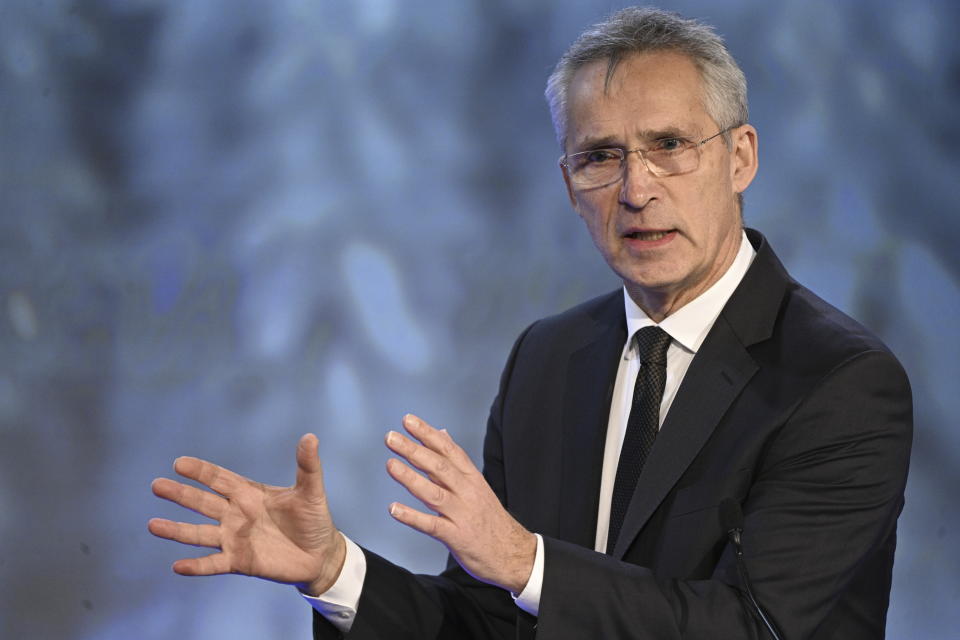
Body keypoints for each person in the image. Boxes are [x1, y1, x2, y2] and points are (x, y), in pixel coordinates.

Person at [149, 7, 912, 639]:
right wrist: (334, 572)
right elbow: (487, 620)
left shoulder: (838, 382)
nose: (635, 188)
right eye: (600, 156)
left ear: (740, 158)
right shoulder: (549, 358)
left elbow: (756, 627)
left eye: (669, 147)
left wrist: (526, 562)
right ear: (569, 183)